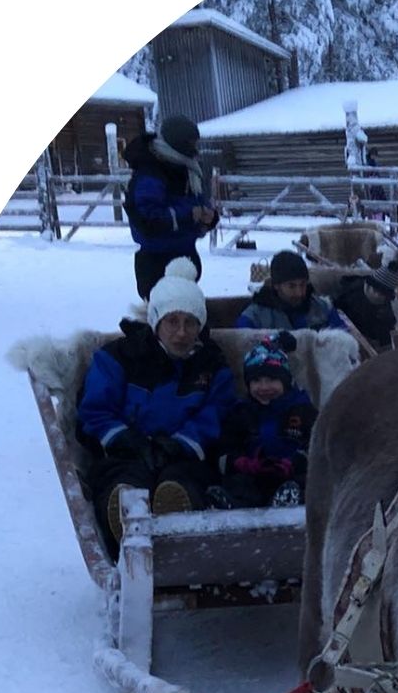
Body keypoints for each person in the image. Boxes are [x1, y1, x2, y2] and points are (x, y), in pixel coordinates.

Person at [76, 258, 235, 549]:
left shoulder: (211, 365)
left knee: (184, 482)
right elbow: (94, 408)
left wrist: (182, 443)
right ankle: (123, 524)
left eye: (190, 323)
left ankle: (178, 527)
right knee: (123, 479)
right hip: (127, 451)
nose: (181, 332)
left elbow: (219, 410)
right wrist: (126, 439)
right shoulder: (120, 357)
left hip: (184, 455)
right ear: (156, 322)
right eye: (172, 321)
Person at [210, 337, 318, 509]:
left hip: (289, 472)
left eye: (272, 380)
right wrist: (242, 462)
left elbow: (315, 444)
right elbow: (227, 446)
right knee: (238, 481)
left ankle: (288, 499)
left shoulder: (302, 410)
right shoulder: (241, 412)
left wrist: (294, 462)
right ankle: (234, 503)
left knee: (306, 481)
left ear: (286, 381)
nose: (264, 387)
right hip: (253, 473)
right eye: (256, 381)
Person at [124, 114, 220, 299]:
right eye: (191, 143)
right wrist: (188, 215)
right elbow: (147, 220)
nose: (195, 149)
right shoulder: (151, 171)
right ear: (177, 143)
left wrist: (208, 218)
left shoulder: (187, 169)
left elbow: (198, 202)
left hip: (185, 256)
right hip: (157, 263)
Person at [236, 250, 350, 332]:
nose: (299, 293)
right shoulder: (255, 316)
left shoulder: (323, 308)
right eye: (292, 286)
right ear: (276, 286)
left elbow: (345, 341)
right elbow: (238, 349)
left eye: (303, 285)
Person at [333, 264, 398, 351]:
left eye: (383, 294)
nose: (378, 296)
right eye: (376, 291)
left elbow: (386, 333)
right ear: (368, 285)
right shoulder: (349, 296)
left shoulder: (385, 310)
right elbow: (337, 317)